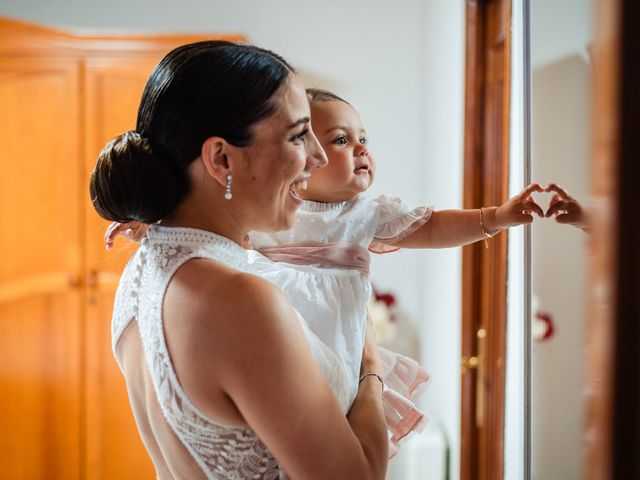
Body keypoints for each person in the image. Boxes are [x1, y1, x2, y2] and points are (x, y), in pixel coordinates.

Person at [90, 41, 390, 480]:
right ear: (221, 158)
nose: (319, 156)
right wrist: (371, 367)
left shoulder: (144, 266)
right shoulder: (240, 300)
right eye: (297, 135)